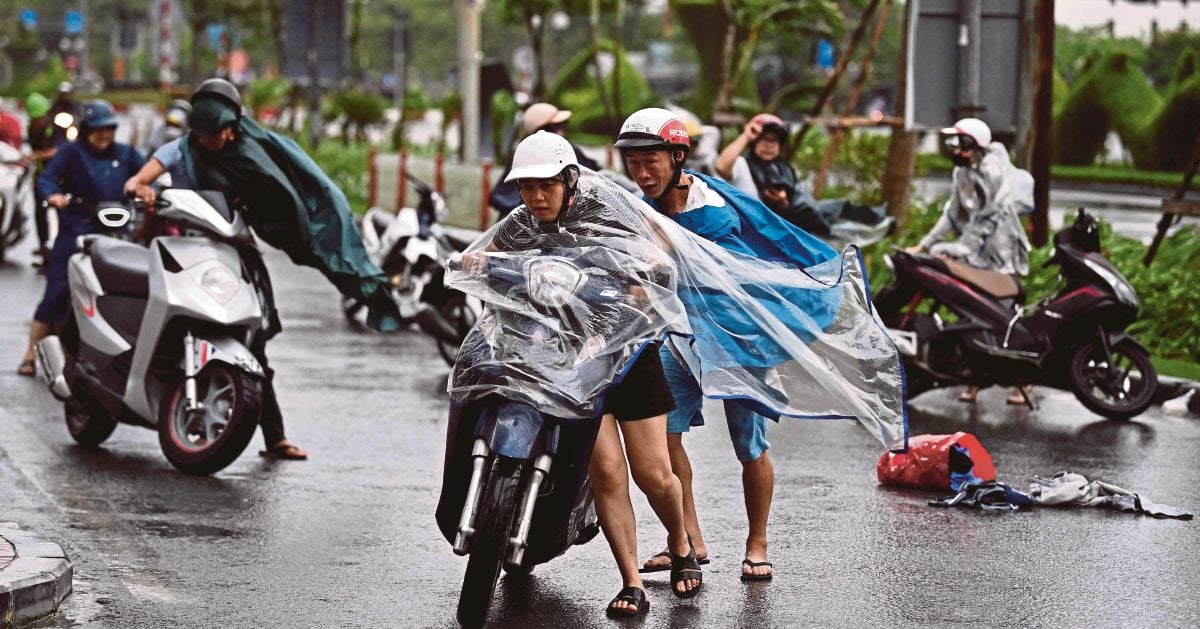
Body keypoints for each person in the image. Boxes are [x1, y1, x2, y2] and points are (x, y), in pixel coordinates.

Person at [615, 108, 907, 583]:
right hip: (680, 334)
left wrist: (652, 265)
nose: (643, 173)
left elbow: (677, 258)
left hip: (736, 336)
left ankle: (758, 543)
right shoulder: (641, 204)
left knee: (749, 446)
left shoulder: (709, 211)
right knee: (665, 439)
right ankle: (687, 538)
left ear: (678, 157)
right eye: (633, 163)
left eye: (651, 162)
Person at [463, 131, 702, 617]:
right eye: (526, 188)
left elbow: (656, 255)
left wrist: (645, 280)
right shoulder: (520, 222)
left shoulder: (608, 209)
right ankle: (631, 581)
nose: (535, 197)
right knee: (608, 473)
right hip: (568, 365)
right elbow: (487, 255)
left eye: (545, 186)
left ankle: (682, 546)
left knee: (654, 475)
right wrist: (473, 262)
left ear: (569, 180)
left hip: (629, 355)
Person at [124, 78, 403, 460]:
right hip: (184, 248)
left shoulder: (258, 147)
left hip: (233, 252)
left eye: (225, 130)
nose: (221, 139)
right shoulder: (180, 150)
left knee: (253, 340)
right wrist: (142, 186)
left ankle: (275, 438)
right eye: (212, 133)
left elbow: (301, 188)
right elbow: (143, 175)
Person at [906, 117, 1034, 405]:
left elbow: (988, 218)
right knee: (970, 311)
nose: (954, 150)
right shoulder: (963, 173)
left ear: (974, 145)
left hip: (1000, 250)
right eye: (951, 143)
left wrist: (959, 249)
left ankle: (1023, 378)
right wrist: (925, 245)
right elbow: (952, 214)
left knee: (1002, 312)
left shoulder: (994, 171)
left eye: (959, 143)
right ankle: (976, 377)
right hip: (975, 251)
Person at [17, 100, 145, 376]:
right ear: (86, 129)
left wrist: (151, 190)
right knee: (56, 291)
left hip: (116, 235)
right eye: (98, 129)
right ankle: (30, 353)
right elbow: (47, 179)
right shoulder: (70, 153)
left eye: (109, 129)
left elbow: (150, 175)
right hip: (76, 231)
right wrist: (54, 195)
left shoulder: (126, 154)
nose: (104, 135)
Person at [715, 112, 888, 239]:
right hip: (753, 232)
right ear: (755, 142)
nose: (769, 145)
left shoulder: (783, 169)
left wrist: (783, 202)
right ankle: (840, 234)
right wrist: (746, 136)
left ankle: (874, 223)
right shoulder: (742, 164)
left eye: (774, 141)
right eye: (764, 139)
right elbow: (722, 166)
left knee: (835, 207)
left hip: (784, 229)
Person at [487, 102, 601, 217]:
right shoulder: (524, 154)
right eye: (528, 187)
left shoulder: (564, 149)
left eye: (547, 185)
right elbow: (500, 197)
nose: (538, 196)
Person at [25, 92, 63, 267]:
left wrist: (38, 155)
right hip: (40, 178)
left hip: (60, 179)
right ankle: (44, 250)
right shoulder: (31, 127)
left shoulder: (55, 126)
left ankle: (62, 252)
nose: (36, 121)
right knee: (40, 215)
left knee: (62, 215)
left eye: (38, 117)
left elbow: (60, 150)